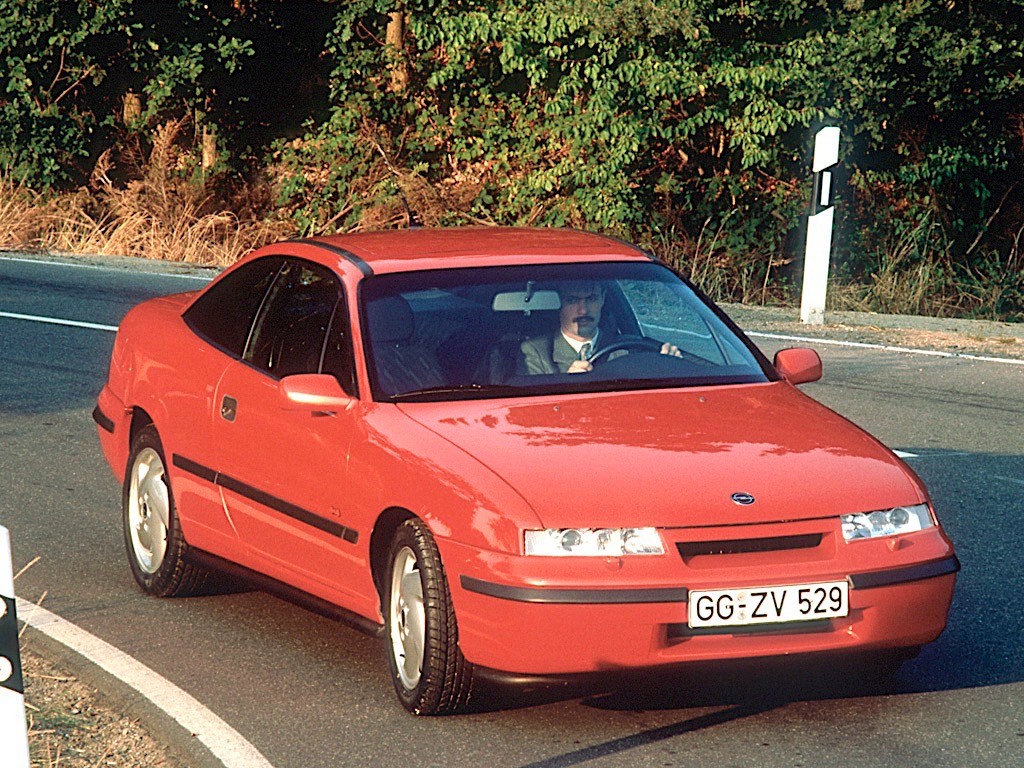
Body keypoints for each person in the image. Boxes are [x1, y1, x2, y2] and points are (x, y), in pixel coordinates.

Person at [517, 281, 681, 375]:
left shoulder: (628, 349)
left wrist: (668, 368)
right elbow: (531, 411)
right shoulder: (535, 352)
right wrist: (567, 383)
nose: (583, 310)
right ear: (559, 304)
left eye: (592, 299)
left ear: (602, 299)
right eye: (572, 300)